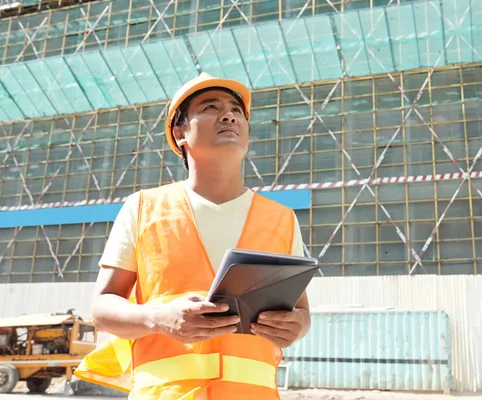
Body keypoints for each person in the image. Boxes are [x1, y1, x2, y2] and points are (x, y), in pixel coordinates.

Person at [74, 73, 311, 400]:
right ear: (180, 131)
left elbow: (301, 314)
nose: (228, 115)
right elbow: (102, 310)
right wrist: (157, 318)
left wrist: (296, 327)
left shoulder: (282, 218)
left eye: (236, 111)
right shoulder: (143, 208)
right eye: (211, 107)